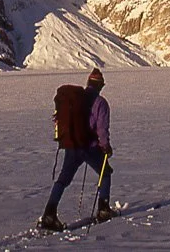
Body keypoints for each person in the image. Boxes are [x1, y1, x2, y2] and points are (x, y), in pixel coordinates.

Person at [38, 68, 116, 230]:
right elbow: (102, 128)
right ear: (100, 85)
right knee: (106, 173)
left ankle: (49, 214)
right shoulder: (100, 103)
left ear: (88, 83)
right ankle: (103, 209)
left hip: (72, 145)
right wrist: (105, 146)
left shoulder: (77, 99)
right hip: (90, 147)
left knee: (63, 180)